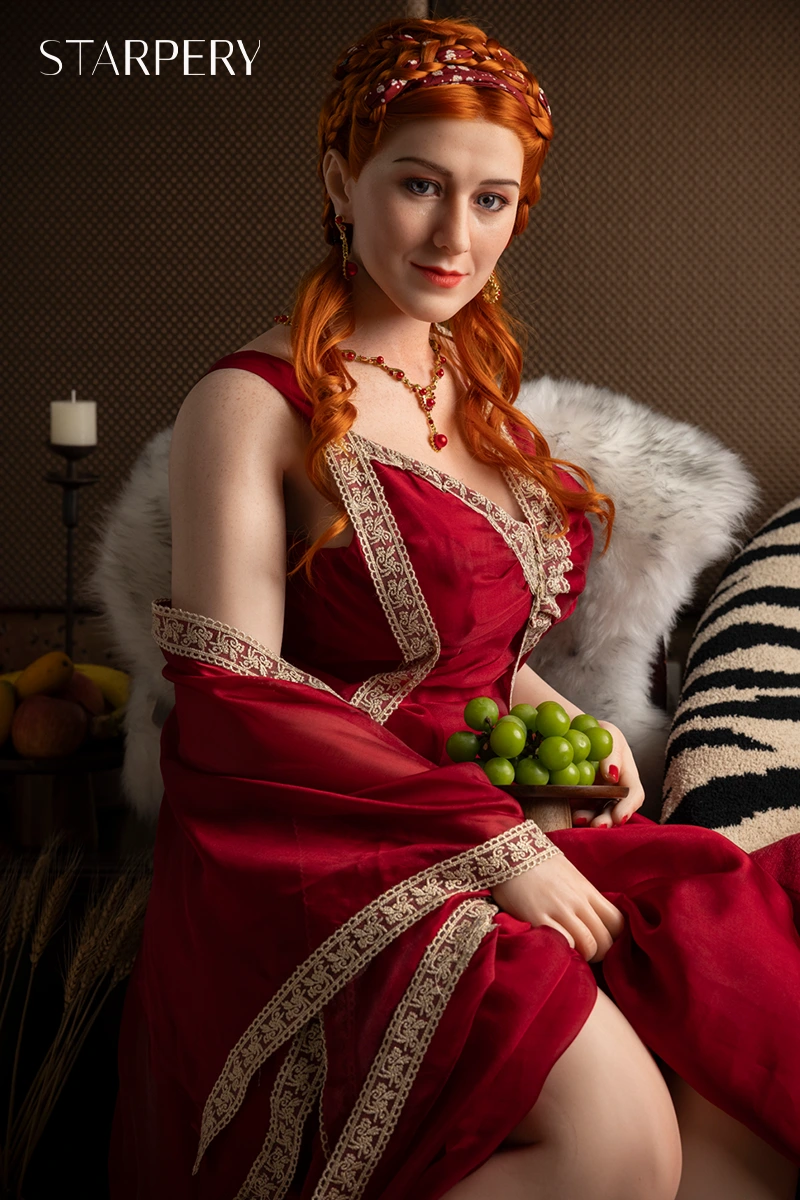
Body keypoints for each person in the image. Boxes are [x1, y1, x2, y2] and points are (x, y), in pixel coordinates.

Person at [108, 16, 800, 1200]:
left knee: (743, 1077)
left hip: (495, 808)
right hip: (322, 839)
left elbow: (469, 657)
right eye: (418, 186)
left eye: (490, 200)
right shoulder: (246, 402)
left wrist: (573, 735)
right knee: (619, 1148)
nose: (453, 236)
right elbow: (233, 696)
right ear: (341, 181)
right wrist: (492, 845)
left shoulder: (474, 389)